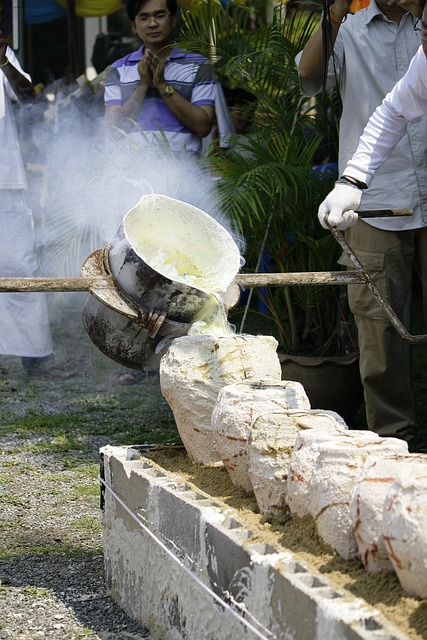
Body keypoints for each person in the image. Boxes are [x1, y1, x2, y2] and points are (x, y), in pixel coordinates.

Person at [297, 0, 427, 451]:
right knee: (380, 332)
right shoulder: (349, 27)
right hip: (375, 202)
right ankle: (395, 445)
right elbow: (308, 77)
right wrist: (332, 13)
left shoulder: (424, 19)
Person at [0, 32, 74, 379]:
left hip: (6, 178)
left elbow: (30, 100)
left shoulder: (5, 56)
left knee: (20, 265)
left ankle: (36, 358)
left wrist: (3, 58)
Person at [104, 0, 215, 155]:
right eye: (144, 18)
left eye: (160, 15)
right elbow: (113, 130)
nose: (152, 24)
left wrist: (162, 85)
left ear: (173, 19)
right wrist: (142, 86)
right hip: (131, 172)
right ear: (134, 26)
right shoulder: (118, 69)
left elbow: (203, 127)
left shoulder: (198, 65)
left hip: (184, 173)